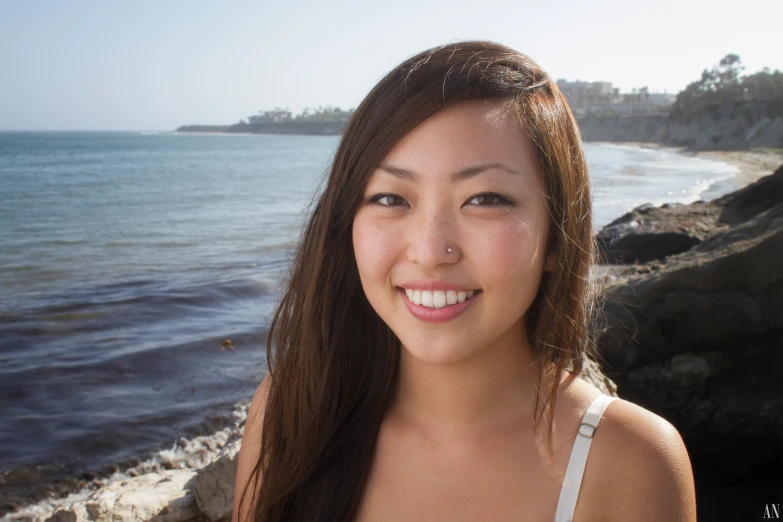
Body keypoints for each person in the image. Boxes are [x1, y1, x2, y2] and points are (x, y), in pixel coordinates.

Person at [233, 40, 697, 522]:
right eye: (391, 199)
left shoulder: (630, 462)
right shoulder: (290, 411)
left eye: (485, 198)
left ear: (557, 238)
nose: (431, 252)